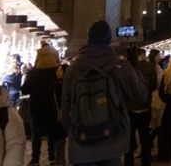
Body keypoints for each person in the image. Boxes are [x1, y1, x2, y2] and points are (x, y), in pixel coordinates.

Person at [61, 21, 148, 166]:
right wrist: (134, 66)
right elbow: (141, 94)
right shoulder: (119, 66)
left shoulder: (73, 68)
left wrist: (71, 129)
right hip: (111, 139)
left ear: (88, 39)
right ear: (109, 39)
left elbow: (65, 103)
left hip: (81, 140)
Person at [21, 44, 63, 166]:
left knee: (36, 135)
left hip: (36, 108)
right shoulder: (57, 73)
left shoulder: (35, 73)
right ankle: (51, 157)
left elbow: (24, 89)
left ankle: (35, 158)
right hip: (52, 107)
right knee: (51, 133)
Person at [125, 48, 157, 166]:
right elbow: (153, 86)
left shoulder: (126, 69)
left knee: (129, 139)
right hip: (145, 106)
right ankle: (146, 161)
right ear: (142, 55)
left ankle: (129, 163)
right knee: (145, 138)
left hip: (130, 109)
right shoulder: (150, 67)